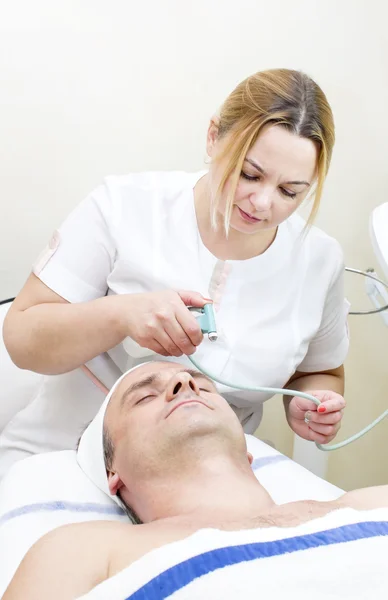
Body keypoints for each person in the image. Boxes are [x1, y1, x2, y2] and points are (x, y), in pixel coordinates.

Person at [2, 69, 349, 475]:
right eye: (249, 174)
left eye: (291, 191)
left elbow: (320, 371)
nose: (262, 202)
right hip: (68, 450)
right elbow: (22, 337)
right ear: (213, 137)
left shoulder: (319, 260)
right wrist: (121, 315)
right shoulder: (124, 207)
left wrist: (313, 402)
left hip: (208, 475)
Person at [4, 361, 387, 600]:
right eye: (144, 397)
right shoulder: (82, 550)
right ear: (112, 472)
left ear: (248, 452)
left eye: (202, 386)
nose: (184, 385)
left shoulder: (371, 504)